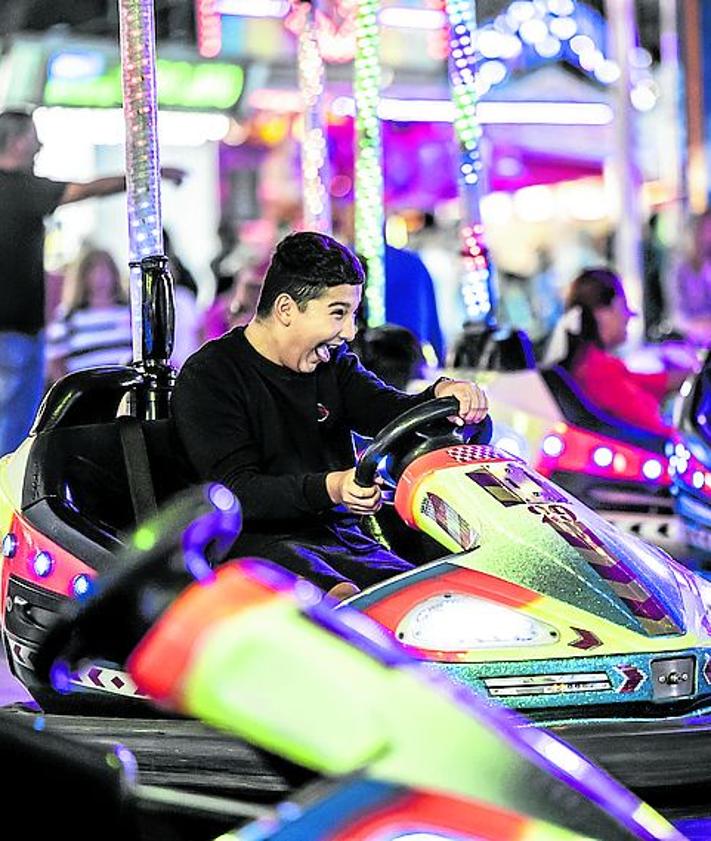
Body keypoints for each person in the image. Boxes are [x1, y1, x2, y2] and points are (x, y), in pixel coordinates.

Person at [172, 232, 487, 598]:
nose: (350, 332)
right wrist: (334, 487)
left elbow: (386, 410)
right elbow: (239, 492)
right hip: (255, 549)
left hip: (344, 539)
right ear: (286, 309)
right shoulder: (212, 375)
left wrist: (443, 394)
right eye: (338, 314)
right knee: (347, 605)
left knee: (441, 596)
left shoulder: (331, 365)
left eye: (352, 314)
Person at [0, 107, 185, 456]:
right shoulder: (22, 190)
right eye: (35, 139)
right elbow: (86, 191)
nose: (39, 148)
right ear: (19, 142)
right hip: (16, 334)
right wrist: (146, 175)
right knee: (11, 433)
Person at [544, 267, 691, 436]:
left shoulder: (590, 364)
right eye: (624, 304)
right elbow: (657, 432)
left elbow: (653, 382)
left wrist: (694, 375)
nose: (631, 314)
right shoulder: (599, 370)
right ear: (601, 313)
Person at [46, 248, 132, 380]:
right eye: (94, 272)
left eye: (105, 271)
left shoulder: (130, 311)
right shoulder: (68, 316)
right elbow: (55, 361)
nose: (100, 278)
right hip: (86, 392)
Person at [672, 211, 711, 345]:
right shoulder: (679, 267)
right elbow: (675, 312)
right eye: (706, 229)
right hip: (687, 339)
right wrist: (697, 326)